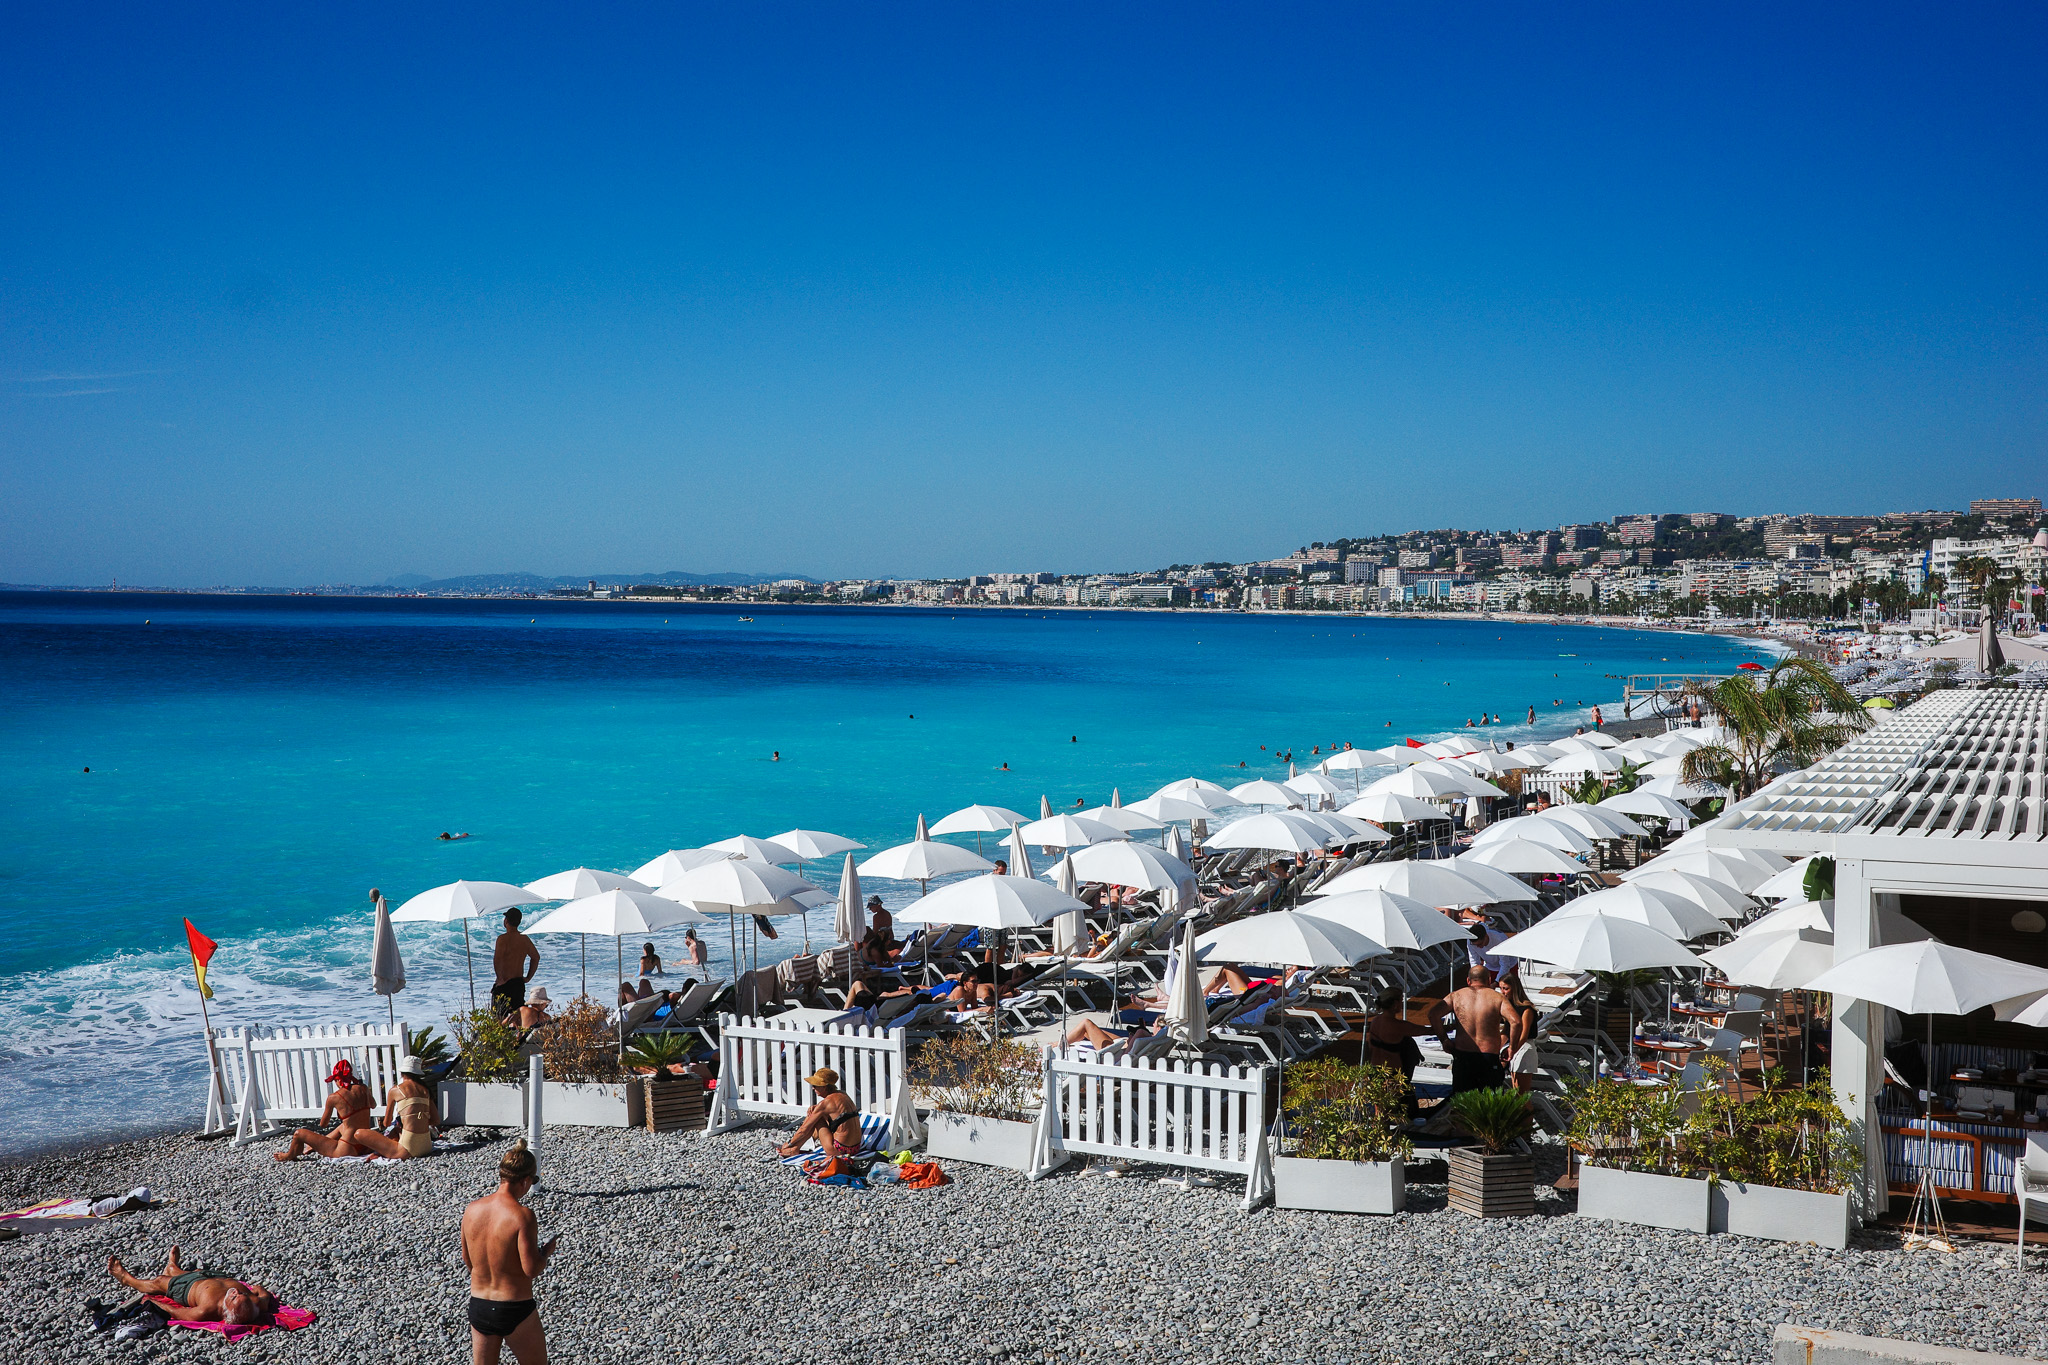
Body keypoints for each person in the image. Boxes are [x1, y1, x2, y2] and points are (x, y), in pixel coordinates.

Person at [460, 1140, 556, 1365]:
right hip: (515, 1307)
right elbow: (531, 1269)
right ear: (524, 1180)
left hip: (480, 1306)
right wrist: (545, 1254)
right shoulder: (522, 1215)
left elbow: (469, 1261)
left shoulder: (471, 1209)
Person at [106, 1249, 277, 1327]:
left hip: (189, 1288)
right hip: (214, 1276)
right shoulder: (256, 1304)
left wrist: (152, 1301)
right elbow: (261, 1291)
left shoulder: (207, 1311)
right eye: (241, 1293)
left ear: (226, 1311)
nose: (236, 1292)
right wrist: (253, 1291)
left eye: (234, 1297)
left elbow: (177, 1313)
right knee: (195, 1271)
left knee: (160, 1281)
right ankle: (173, 1268)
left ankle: (126, 1279)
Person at [273, 1059, 377, 1160]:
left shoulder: (334, 1097)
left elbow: (323, 1124)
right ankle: (311, 1146)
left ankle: (289, 1155)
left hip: (346, 1148)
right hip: (365, 1144)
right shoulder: (363, 1088)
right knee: (345, 1125)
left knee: (299, 1133)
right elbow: (373, 1105)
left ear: (337, 1079)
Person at [1434, 964, 1513, 1096]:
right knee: (1490, 1102)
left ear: (1468, 981)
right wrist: (1512, 1047)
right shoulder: (1498, 998)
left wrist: (1444, 1039)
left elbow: (1433, 1015)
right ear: (1488, 980)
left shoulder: (1456, 996)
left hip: (1463, 1055)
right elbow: (1515, 1021)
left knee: (1462, 1102)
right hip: (1489, 1056)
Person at [1363, 988, 1429, 1115]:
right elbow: (1425, 1031)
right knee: (1390, 1111)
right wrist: (1452, 1027)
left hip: (1374, 1070)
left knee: (1380, 1109)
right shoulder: (1397, 1026)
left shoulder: (1375, 1021)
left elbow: (1370, 1047)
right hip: (1392, 1074)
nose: (1402, 1004)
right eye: (1401, 1001)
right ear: (1394, 1004)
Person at [777, 1068, 864, 1158]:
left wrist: (790, 1143)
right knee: (817, 1114)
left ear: (824, 1087)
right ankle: (798, 1147)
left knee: (814, 1118)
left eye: (815, 1085)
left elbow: (804, 1129)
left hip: (839, 1149)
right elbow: (836, 1114)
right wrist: (817, 1108)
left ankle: (794, 1149)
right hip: (855, 1148)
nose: (813, 1088)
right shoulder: (843, 1094)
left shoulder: (825, 1104)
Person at [367, 1055, 441, 1159]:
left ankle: (380, 1152)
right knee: (397, 1130)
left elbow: (386, 1123)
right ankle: (383, 1150)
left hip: (407, 1149)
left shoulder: (395, 1090)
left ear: (402, 1073)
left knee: (359, 1133)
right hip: (426, 1146)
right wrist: (416, 1121)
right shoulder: (425, 1090)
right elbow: (436, 1120)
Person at [1499, 973, 1542, 1095]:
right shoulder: (1509, 1008)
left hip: (1524, 1048)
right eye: (1501, 988)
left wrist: (1511, 1051)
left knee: (1521, 1094)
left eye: (1506, 988)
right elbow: (1505, 1031)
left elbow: (1524, 1035)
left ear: (1515, 988)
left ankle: (1529, 1114)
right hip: (1514, 1047)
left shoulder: (1526, 1009)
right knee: (1516, 1092)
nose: (1503, 992)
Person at [492, 909, 540, 1017]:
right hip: (518, 983)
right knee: (519, 1018)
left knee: (498, 1019)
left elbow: (497, 960)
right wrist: (528, 978)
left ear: (506, 921)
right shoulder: (524, 938)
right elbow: (536, 957)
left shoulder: (502, 939)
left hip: (504, 983)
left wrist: (500, 978)